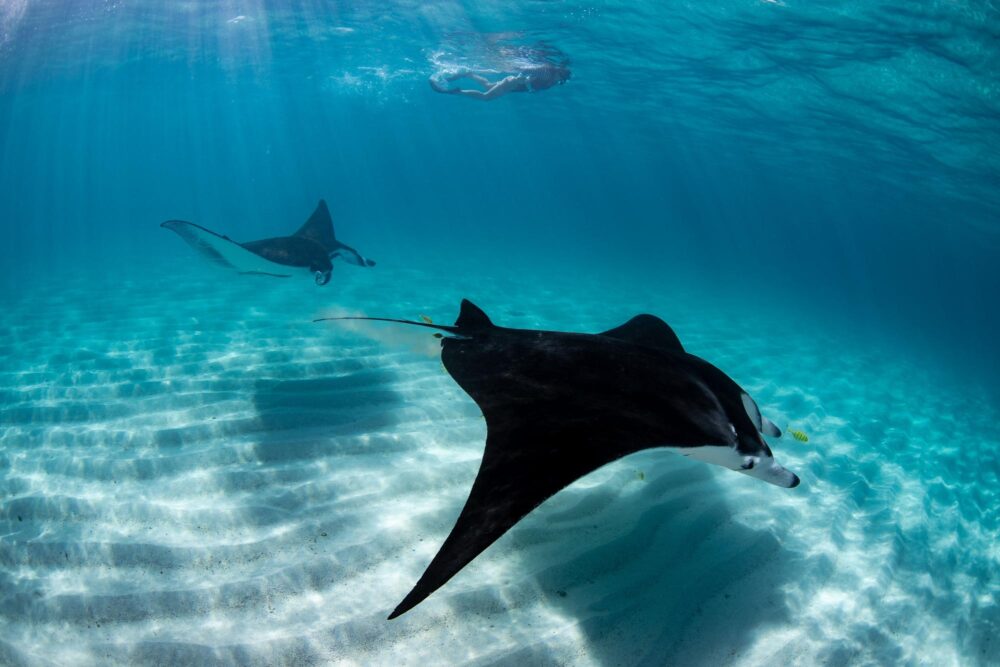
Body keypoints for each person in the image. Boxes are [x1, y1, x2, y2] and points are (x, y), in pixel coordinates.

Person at [429, 62, 570, 100]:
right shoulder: (546, 72)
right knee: (486, 97)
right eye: (560, 79)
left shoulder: (551, 79)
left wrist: (529, 87)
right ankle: (458, 92)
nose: (558, 81)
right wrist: (526, 82)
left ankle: (469, 74)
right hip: (513, 82)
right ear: (559, 73)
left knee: (488, 85)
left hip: (513, 84)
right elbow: (527, 72)